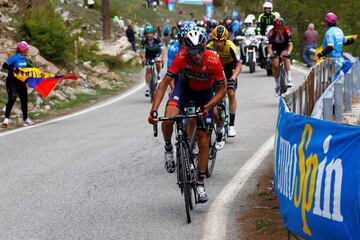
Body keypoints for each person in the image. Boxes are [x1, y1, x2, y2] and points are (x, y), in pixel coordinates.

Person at [148, 30, 226, 203]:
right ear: (186, 49)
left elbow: (222, 90)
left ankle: (199, 183)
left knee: (203, 139)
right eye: (192, 52)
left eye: (200, 50)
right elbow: (163, 85)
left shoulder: (213, 60)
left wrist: (207, 107)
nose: (197, 55)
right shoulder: (182, 57)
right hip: (184, 90)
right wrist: (154, 109)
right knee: (168, 117)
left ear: (205, 47)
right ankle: (168, 148)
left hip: (206, 94)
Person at [207, 25, 242, 145]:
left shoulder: (231, 46)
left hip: (229, 69)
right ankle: (218, 123)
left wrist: (233, 77)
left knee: (231, 93)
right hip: (215, 70)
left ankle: (231, 124)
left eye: (221, 41)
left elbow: (239, 65)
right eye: (216, 40)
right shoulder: (208, 47)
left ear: (225, 40)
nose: (218, 44)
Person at [2, 41, 33, 127]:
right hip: (12, 81)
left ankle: (26, 119)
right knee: (12, 98)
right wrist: (14, 69)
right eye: (27, 49)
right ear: (23, 50)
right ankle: (6, 120)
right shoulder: (14, 58)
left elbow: (27, 66)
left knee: (24, 100)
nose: (28, 51)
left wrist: (35, 70)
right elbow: (4, 66)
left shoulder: (24, 59)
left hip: (21, 82)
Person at [268, 18, 293, 96]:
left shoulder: (287, 31)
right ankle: (277, 85)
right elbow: (269, 47)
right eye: (277, 28)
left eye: (281, 28)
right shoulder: (271, 33)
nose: (279, 30)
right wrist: (271, 54)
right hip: (275, 47)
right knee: (275, 65)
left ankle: (289, 79)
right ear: (274, 28)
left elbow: (290, 44)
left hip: (284, 46)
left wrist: (288, 53)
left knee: (285, 57)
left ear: (283, 27)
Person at [139, 25, 164, 96]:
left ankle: (159, 74)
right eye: (147, 33)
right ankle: (147, 88)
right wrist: (143, 58)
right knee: (148, 70)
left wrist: (161, 58)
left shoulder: (157, 38)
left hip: (157, 53)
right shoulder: (144, 40)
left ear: (153, 33)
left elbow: (162, 50)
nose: (149, 35)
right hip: (148, 55)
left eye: (150, 33)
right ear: (145, 34)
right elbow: (141, 51)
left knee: (157, 61)